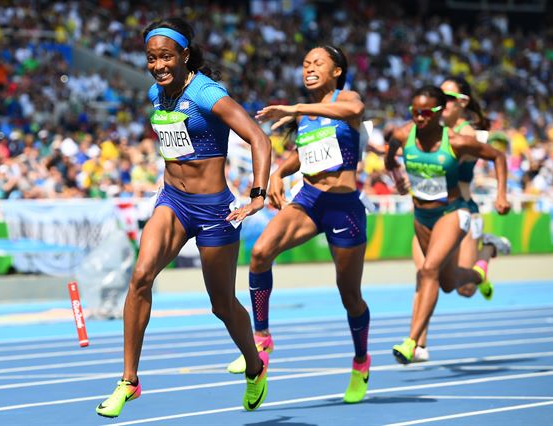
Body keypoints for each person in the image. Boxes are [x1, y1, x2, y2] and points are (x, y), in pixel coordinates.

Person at [96, 18, 272, 418]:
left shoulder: (207, 93)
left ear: (185, 55)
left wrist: (258, 194)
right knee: (141, 276)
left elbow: (259, 138)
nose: (158, 65)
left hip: (214, 211)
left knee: (222, 304)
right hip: (173, 201)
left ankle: (255, 365)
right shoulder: (156, 95)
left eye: (166, 57)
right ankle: (129, 381)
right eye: (151, 58)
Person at [226, 45, 371, 403]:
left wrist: (294, 108)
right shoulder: (306, 119)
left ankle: (360, 361)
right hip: (308, 200)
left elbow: (354, 110)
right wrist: (278, 172)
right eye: (305, 63)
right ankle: (262, 337)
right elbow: (303, 153)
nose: (309, 67)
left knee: (349, 295)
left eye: (317, 63)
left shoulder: (344, 99)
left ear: (336, 71)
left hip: (343, 207)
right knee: (260, 253)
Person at [385, 85, 510, 364]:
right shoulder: (403, 134)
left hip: (455, 211)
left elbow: (497, 156)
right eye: (414, 112)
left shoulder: (460, 138)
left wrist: (501, 195)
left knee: (429, 270)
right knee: (449, 282)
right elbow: (389, 154)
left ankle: (413, 343)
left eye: (426, 112)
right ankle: (483, 264)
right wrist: (396, 177)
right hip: (421, 216)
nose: (419, 117)